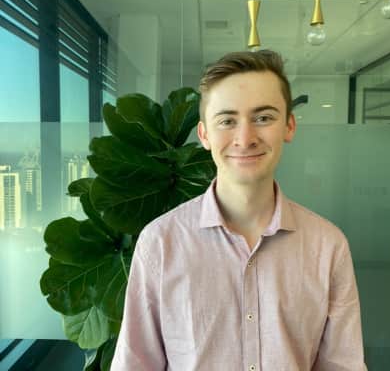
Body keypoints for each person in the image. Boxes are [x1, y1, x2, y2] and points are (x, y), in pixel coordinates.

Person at [110, 50, 367, 370]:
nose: (245, 139)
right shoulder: (160, 243)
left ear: (289, 126)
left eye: (263, 118)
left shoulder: (328, 247)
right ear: (204, 134)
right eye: (227, 121)